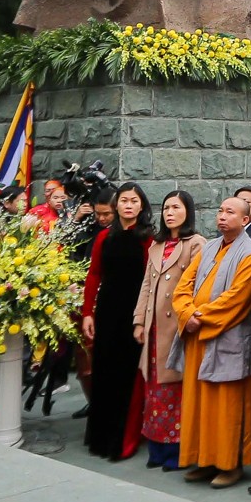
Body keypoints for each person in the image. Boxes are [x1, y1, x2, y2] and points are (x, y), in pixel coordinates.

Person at [175, 195, 251, 488]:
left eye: (230, 212)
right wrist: (186, 313)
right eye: (220, 211)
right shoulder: (209, 247)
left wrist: (199, 317)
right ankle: (204, 459)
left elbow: (236, 299)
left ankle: (230, 464)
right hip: (197, 338)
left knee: (226, 406)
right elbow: (183, 285)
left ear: (245, 220)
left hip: (227, 339)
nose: (222, 216)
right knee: (199, 403)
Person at [133, 190, 205, 471]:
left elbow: (199, 286)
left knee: (176, 390)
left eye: (176, 207)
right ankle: (156, 447)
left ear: (188, 211)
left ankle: (178, 449)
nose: (169, 212)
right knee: (154, 389)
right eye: (166, 208)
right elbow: (146, 286)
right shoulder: (156, 245)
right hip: (154, 330)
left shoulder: (197, 244)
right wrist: (139, 321)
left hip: (177, 328)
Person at [83, 182, 152, 461]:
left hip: (135, 314)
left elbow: (151, 281)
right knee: (104, 373)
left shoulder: (149, 238)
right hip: (107, 313)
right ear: (116, 205)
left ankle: (125, 439)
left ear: (141, 206)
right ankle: (100, 436)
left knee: (129, 376)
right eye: (124, 200)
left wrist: (145, 318)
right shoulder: (103, 238)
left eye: (134, 201)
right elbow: (94, 275)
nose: (128, 205)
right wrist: (88, 311)